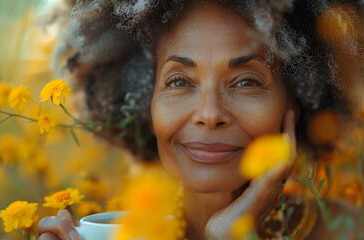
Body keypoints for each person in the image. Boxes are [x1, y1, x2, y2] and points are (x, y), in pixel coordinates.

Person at [38, 0, 354, 239]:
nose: (210, 114)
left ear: (294, 104)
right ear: (146, 103)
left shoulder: (349, 230)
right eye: (179, 81)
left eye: (247, 81)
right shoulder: (114, 230)